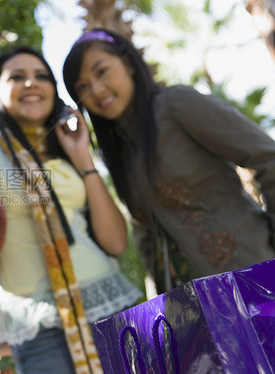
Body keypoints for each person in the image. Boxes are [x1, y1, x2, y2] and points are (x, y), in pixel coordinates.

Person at [0, 46, 142, 374]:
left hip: (109, 305)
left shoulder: (65, 148)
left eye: (41, 77)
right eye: (17, 77)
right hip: (36, 328)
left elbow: (116, 242)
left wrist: (83, 158)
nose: (31, 84)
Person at [62, 28, 275, 295]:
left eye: (101, 71)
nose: (96, 89)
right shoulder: (121, 154)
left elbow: (267, 156)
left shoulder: (176, 105)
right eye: (82, 86)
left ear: (128, 63)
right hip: (200, 309)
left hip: (256, 274)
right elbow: (146, 235)